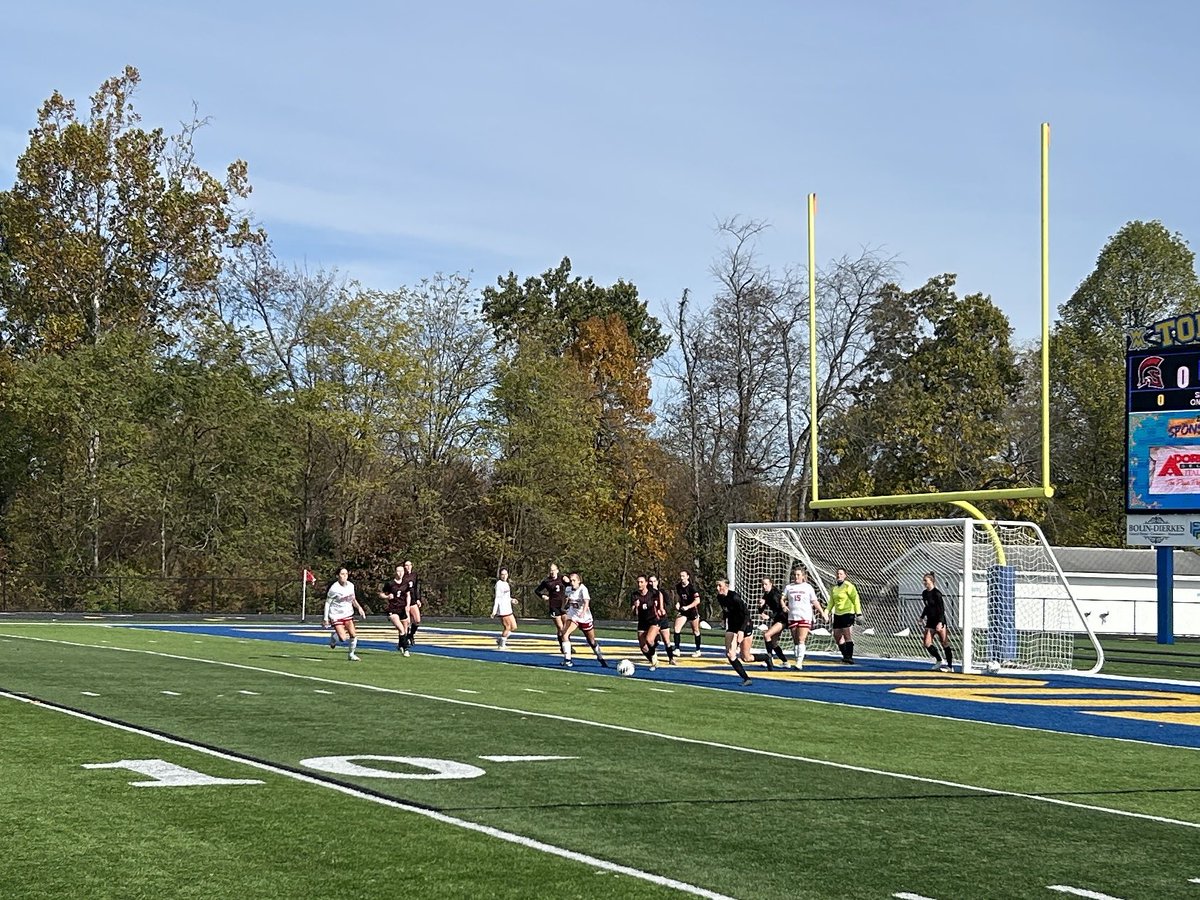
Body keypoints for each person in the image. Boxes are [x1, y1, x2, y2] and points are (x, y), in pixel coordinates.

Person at [559, 571, 609, 668]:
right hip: (573, 616)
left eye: (574, 580)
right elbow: (566, 599)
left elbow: (586, 602)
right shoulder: (568, 589)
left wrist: (583, 612)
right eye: (571, 580)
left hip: (585, 618)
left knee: (591, 641)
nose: (572, 582)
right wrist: (564, 606)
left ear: (579, 581)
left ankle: (600, 657)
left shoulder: (583, 589)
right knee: (564, 634)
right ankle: (567, 660)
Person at [782, 566, 825, 671]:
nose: (796, 577)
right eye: (795, 575)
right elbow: (782, 598)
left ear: (803, 576)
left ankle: (799, 662)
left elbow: (814, 601)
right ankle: (797, 658)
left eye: (798, 575)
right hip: (793, 616)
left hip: (804, 616)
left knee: (801, 639)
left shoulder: (808, 587)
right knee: (796, 640)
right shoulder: (789, 587)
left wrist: (822, 612)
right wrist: (784, 605)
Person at [714, 578, 753, 686]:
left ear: (726, 586)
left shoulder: (735, 597)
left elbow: (746, 614)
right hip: (732, 626)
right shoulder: (719, 597)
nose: (718, 588)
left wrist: (741, 630)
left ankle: (766, 658)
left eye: (720, 586)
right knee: (730, 654)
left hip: (744, 625)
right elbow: (726, 610)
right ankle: (746, 679)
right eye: (717, 586)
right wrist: (723, 619)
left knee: (746, 657)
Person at [323, 567, 366, 661]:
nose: (344, 576)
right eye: (342, 574)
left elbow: (353, 599)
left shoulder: (351, 585)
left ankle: (351, 654)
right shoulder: (334, 588)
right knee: (342, 638)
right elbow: (327, 603)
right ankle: (334, 637)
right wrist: (326, 618)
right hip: (336, 615)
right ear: (338, 576)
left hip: (348, 614)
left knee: (353, 635)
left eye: (346, 574)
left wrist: (359, 608)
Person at [919, 571, 953, 672]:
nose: (924, 582)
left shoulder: (937, 594)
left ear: (931, 581)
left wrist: (940, 622)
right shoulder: (924, 593)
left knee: (944, 643)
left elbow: (942, 609)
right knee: (927, 643)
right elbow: (927, 607)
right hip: (930, 621)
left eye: (926, 580)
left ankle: (950, 666)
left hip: (939, 621)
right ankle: (939, 660)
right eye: (923, 581)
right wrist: (921, 617)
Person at [827, 567, 862, 664]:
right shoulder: (834, 589)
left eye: (841, 574)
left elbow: (855, 599)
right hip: (838, 614)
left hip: (848, 613)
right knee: (837, 636)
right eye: (838, 573)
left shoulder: (849, 586)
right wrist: (826, 612)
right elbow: (831, 603)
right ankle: (845, 654)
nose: (839, 575)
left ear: (845, 575)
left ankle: (849, 657)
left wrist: (858, 613)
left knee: (847, 635)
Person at [631, 576, 667, 670]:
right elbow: (634, 613)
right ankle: (653, 661)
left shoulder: (652, 592)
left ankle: (654, 658)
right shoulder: (635, 595)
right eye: (638, 582)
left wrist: (661, 607)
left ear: (646, 583)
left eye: (641, 582)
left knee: (649, 640)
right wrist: (636, 607)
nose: (639, 584)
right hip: (642, 622)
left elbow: (660, 594)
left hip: (653, 620)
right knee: (643, 647)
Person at [379, 564, 411, 656]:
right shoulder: (390, 584)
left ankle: (400, 645)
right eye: (398, 571)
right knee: (401, 630)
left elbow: (408, 595)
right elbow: (381, 594)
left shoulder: (406, 583)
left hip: (402, 608)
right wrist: (387, 596)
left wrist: (408, 606)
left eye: (402, 571)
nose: (400, 573)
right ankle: (406, 649)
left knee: (405, 630)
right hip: (393, 609)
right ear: (395, 572)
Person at [759, 577, 790, 670]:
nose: (764, 587)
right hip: (777, 619)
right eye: (762, 585)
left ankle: (769, 658)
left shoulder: (775, 594)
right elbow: (761, 610)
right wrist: (760, 607)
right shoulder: (766, 594)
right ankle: (785, 662)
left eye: (766, 584)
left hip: (783, 619)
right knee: (773, 643)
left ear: (771, 584)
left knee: (767, 635)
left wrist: (769, 616)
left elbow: (780, 610)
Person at [536, 563, 571, 645]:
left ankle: (567, 643)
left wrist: (568, 581)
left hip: (563, 605)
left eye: (554, 570)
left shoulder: (562, 578)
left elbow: (571, 585)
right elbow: (537, 590)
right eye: (551, 570)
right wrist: (542, 596)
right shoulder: (546, 581)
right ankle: (563, 645)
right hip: (554, 606)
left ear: (557, 570)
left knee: (566, 626)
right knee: (560, 627)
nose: (552, 572)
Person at [673, 570, 703, 657]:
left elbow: (697, 600)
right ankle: (677, 649)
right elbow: (679, 597)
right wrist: (678, 603)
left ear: (687, 576)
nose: (681, 578)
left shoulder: (692, 588)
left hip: (692, 611)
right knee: (676, 628)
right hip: (683, 611)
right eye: (680, 576)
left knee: (696, 631)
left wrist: (688, 607)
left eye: (683, 576)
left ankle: (698, 650)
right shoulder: (678, 586)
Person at [648, 574, 677, 665]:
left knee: (667, 640)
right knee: (651, 640)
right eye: (650, 581)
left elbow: (668, 604)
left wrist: (664, 610)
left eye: (654, 581)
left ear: (657, 582)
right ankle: (653, 657)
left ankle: (671, 658)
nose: (652, 583)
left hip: (663, 619)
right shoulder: (647, 593)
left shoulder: (662, 592)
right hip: (653, 619)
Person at [492, 567, 517, 649]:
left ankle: (501, 639)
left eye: (505, 574)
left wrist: (512, 600)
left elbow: (506, 597)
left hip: (508, 608)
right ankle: (501, 645)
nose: (504, 576)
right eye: (502, 574)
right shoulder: (498, 584)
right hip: (502, 610)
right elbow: (497, 598)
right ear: (500, 575)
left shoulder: (506, 584)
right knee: (507, 627)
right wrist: (494, 611)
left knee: (514, 627)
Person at [402, 559, 422, 645]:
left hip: (413, 600)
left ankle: (411, 635)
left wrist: (418, 599)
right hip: (405, 602)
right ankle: (404, 640)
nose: (408, 567)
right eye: (406, 565)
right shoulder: (402, 576)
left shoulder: (414, 575)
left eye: (409, 565)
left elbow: (416, 587)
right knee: (407, 622)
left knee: (417, 620)